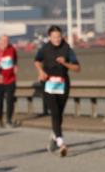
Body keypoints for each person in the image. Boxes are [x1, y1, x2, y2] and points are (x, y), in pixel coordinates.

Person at [34, 25, 80, 157]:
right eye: (54, 37)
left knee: (59, 114)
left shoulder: (67, 49)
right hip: (48, 84)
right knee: (54, 112)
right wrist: (41, 71)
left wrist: (65, 63)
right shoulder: (45, 48)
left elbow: (77, 68)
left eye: (59, 36)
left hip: (62, 84)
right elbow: (37, 60)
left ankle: (54, 137)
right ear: (49, 37)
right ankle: (61, 143)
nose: (57, 39)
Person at [0, 34, 18, 128]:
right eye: (3, 41)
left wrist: (15, 67)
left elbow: (15, 60)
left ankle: (9, 120)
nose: (5, 43)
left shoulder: (12, 49)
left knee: (10, 100)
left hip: (10, 79)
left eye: (6, 41)